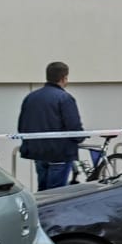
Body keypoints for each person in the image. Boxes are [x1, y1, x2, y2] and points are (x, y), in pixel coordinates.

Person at [17, 61, 83, 191]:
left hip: (38, 152)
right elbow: (73, 126)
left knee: (43, 192)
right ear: (64, 78)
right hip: (59, 153)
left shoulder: (31, 97)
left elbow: (22, 126)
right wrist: (80, 138)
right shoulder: (64, 98)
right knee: (56, 194)